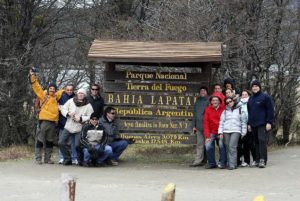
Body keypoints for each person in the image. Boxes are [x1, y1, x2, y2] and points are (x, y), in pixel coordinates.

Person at [29, 69, 64, 164]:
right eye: (50, 88)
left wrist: (69, 89)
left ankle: (48, 159)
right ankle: (38, 159)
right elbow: (36, 87)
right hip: (44, 121)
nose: (52, 89)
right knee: (40, 140)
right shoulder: (43, 95)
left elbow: (63, 91)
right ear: (48, 89)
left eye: (53, 88)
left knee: (50, 141)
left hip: (53, 122)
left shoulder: (56, 96)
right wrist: (32, 76)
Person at [59, 88, 94, 165]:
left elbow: (90, 116)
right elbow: (63, 109)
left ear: (84, 95)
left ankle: (80, 160)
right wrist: (68, 113)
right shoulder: (71, 101)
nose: (80, 95)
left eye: (82, 93)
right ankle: (67, 158)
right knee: (61, 142)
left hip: (79, 127)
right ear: (77, 94)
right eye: (79, 93)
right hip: (69, 125)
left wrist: (81, 118)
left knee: (78, 145)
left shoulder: (88, 105)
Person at [247, 80, 274, 168]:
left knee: (262, 140)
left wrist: (269, 122)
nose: (254, 88)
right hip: (253, 124)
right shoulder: (250, 99)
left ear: (259, 87)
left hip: (262, 123)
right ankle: (257, 160)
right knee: (256, 142)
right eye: (253, 86)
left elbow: (270, 110)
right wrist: (249, 124)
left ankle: (263, 160)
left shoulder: (265, 97)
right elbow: (249, 112)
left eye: (256, 86)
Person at [218, 96, 247, 170]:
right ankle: (231, 163)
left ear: (233, 101)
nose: (229, 103)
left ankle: (232, 165)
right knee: (228, 147)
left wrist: (243, 132)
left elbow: (243, 122)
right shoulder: (224, 111)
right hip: (226, 131)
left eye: (230, 101)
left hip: (236, 130)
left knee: (232, 146)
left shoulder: (240, 109)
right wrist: (220, 132)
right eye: (227, 102)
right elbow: (221, 122)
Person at [203, 93, 227, 169]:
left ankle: (222, 163)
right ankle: (211, 163)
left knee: (222, 145)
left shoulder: (224, 108)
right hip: (212, 131)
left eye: (216, 100)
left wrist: (223, 132)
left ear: (219, 101)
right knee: (208, 145)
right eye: (213, 100)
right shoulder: (208, 109)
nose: (215, 101)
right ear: (211, 102)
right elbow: (206, 123)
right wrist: (207, 136)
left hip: (221, 131)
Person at [190, 86, 209, 167]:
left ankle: (209, 161)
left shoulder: (209, 101)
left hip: (207, 126)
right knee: (199, 144)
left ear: (206, 92)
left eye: (204, 91)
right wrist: (193, 125)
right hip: (198, 127)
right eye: (201, 91)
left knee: (208, 145)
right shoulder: (197, 102)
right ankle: (198, 161)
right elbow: (195, 114)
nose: (202, 92)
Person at [57, 85, 76, 164]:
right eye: (68, 90)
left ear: (73, 90)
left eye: (71, 90)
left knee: (73, 142)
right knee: (62, 141)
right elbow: (59, 109)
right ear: (65, 90)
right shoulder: (61, 97)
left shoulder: (76, 98)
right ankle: (62, 157)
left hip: (73, 123)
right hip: (63, 122)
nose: (69, 91)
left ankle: (74, 158)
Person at [237, 90, 256, 167]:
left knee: (251, 143)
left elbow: (253, 114)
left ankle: (255, 159)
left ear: (249, 95)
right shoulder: (239, 104)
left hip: (250, 125)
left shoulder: (251, 102)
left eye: (246, 94)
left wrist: (250, 124)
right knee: (245, 144)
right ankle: (246, 161)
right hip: (242, 126)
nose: (244, 95)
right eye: (242, 94)